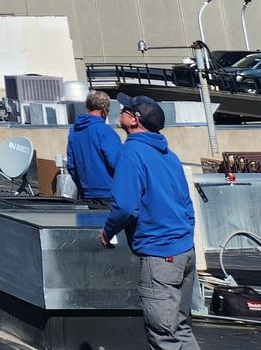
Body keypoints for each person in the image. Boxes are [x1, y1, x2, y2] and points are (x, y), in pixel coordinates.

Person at [99, 95, 198, 350]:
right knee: (179, 326)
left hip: (160, 255)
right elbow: (186, 204)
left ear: (134, 120)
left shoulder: (131, 152)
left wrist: (108, 231)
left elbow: (124, 206)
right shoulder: (168, 154)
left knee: (163, 333)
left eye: (125, 109)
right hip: (184, 250)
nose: (120, 110)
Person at [64, 90, 123, 206]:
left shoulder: (74, 131)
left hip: (86, 195)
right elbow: (117, 163)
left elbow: (71, 165)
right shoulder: (106, 131)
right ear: (105, 108)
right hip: (108, 195)